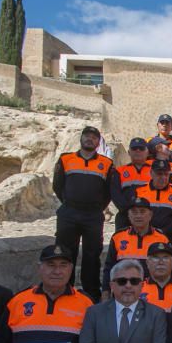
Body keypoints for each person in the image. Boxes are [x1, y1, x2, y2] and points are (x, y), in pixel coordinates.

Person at [52, 126, 114, 301]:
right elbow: (57, 185)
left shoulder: (106, 163)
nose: (90, 139)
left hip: (93, 215)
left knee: (92, 254)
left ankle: (91, 293)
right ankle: (64, 288)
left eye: (94, 137)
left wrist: (97, 206)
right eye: (87, 136)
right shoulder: (66, 159)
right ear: (81, 138)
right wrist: (69, 202)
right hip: (69, 213)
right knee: (65, 252)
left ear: (98, 142)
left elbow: (108, 191)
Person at [101, 197, 169, 290]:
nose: (138, 216)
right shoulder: (118, 237)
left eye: (142, 212)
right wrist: (105, 291)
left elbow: (168, 269)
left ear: (150, 215)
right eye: (134, 212)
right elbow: (109, 267)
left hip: (153, 292)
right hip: (124, 290)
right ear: (128, 215)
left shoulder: (162, 239)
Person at [135, 159, 172, 277]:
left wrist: (164, 231)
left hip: (169, 237)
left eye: (166, 174)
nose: (163, 177)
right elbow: (134, 215)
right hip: (145, 237)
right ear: (151, 173)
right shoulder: (139, 191)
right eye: (159, 174)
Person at [111, 137, 152, 231]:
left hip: (149, 216)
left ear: (147, 152)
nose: (138, 151)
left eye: (141, 149)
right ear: (129, 152)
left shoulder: (154, 171)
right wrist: (130, 211)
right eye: (134, 149)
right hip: (125, 216)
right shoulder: (120, 171)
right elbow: (115, 194)